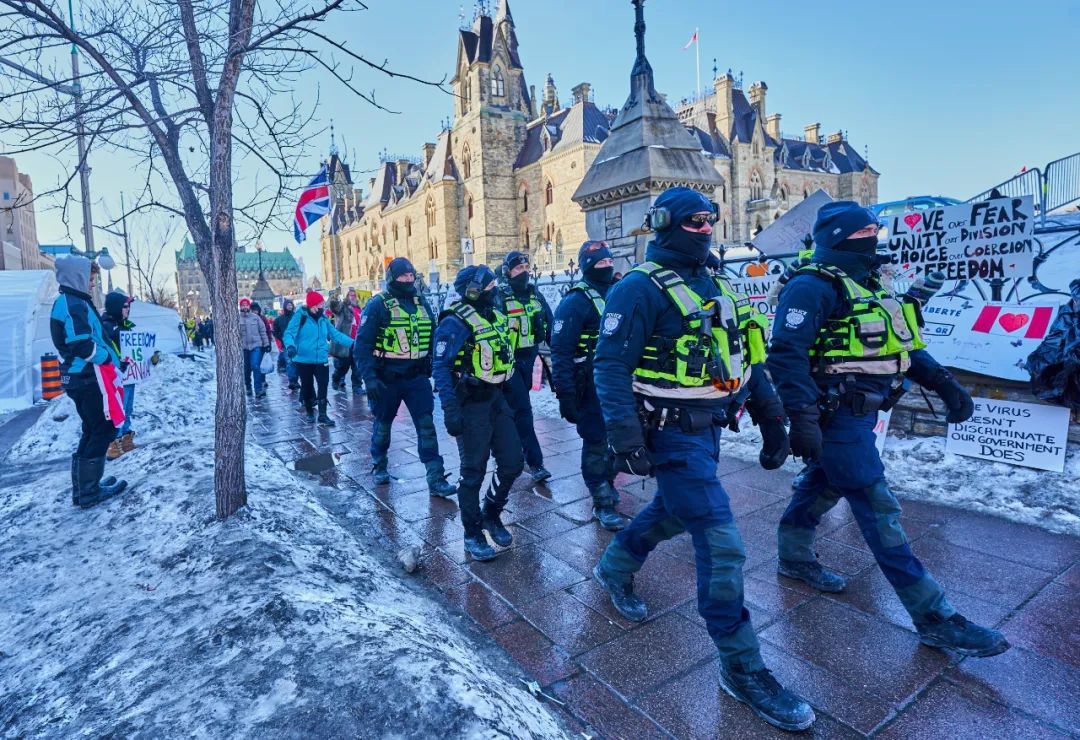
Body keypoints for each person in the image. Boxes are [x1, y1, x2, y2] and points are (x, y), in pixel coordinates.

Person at [590, 187, 809, 732]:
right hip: (666, 435)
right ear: (663, 224)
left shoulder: (717, 284)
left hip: (708, 428)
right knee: (722, 543)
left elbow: (747, 358)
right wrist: (625, 439)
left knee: (669, 513)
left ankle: (613, 567)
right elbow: (609, 367)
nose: (706, 227)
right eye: (693, 220)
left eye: (711, 218)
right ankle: (742, 666)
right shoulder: (636, 290)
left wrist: (772, 419)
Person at [768, 200, 1010, 659]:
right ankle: (934, 616)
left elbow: (907, 346)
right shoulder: (811, 286)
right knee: (877, 506)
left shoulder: (871, 287)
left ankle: (793, 556)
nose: (878, 237)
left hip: (861, 414)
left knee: (822, 485)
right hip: (834, 416)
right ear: (843, 237)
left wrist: (947, 387)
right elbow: (785, 354)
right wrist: (800, 418)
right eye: (868, 231)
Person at [432, 265, 524, 561]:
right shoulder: (454, 322)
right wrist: (449, 410)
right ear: (472, 290)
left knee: (512, 462)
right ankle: (472, 532)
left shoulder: (494, 316)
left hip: (497, 399)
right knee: (473, 473)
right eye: (490, 286)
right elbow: (441, 367)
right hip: (470, 404)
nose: (495, 290)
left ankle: (491, 513)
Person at [354, 258, 456, 496]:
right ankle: (379, 463)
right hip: (386, 378)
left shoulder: (422, 304)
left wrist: (434, 363)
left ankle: (436, 477)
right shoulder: (377, 304)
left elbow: (433, 335)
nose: (408, 280)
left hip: (416, 379)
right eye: (403, 277)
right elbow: (362, 345)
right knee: (383, 425)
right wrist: (369, 378)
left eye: (411, 276)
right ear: (392, 278)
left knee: (427, 426)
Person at [550, 241, 624, 530]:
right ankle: (601, 499)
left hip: (619, 382)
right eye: (600, 264)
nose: (607, 267)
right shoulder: (574, 302)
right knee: (595, 441)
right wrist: (565, 394)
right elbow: (560, 351)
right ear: (586, 266)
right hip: (590, 384)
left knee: (618, 438)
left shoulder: (619, 292)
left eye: (609, 262)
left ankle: (607, 481)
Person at [50, 255, 129, 508]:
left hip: (82, 376)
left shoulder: (73, 301)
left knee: (92, 429)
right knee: (103, 429)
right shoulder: (73, 304)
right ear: (78, 277)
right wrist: (107, 358)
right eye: (91, 278)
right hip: (86, 377)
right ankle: (89, 491)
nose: (92, 283)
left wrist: (113, 360)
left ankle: (84, 489)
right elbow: (82, 344)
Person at [496, 251, 553, 483]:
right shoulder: (498, 297)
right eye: (518, 269)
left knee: (514, 409)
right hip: (507, 362)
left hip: (529, 359)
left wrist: (558, 354)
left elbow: (549, 324)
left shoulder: (535, 294)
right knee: (523, 410)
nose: (524, 272)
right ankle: (535, 462)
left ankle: (508, 448)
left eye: (526, 267)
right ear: (508, 273)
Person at [284, 290, 355, 425]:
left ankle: (322, 415)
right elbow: (289, 334)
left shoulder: (323, 319)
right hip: (303, 359)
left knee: (323, 386)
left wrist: (353, 344)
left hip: (321, 359)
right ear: (313, 306)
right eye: (321, 303)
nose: (324, 306)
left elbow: (335, 334)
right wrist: (290, 346)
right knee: (307, 386)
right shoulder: (300, 316)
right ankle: (310, 412)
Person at [101, 290, 138, 460]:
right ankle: (113, 442)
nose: (128, 309)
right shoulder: (107, 327)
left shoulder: (125, 325)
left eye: (129, 306)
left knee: (127, 407)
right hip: (114, 377)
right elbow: (107, 351)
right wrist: (118, 364)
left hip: (129, 375)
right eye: (125, 306)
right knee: (118, 407)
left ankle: (125, 438)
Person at [329, 287, 365, 395]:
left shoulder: (360, 308)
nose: (353, 297)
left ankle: (357, 386)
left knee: (357, 365)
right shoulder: (343, 307)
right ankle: (337, 378)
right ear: (346, 296)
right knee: (343, 365)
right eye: (351, 295)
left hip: (358, 341)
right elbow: (334, 307)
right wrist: (335, 296)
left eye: (354, 295)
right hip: (346, 342)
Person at [239, 297, 271, 398]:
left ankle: (258, 389)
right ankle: (248, 386)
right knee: (247, 368)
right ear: (240, 307)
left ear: (249, 306)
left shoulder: (256, 318)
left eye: (246, 305)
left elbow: (263, 331)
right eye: (243, 305)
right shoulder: (237, 318)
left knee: (256, 366)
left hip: (256, 346)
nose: (245, 307)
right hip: (244, 347)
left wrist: (266, 344)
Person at [273, 298, 300, 389]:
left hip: (297, 343)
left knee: (297, 362)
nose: (290, 306)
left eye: (291, 305)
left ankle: (295, 380)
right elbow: (275, 331)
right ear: (285, 306)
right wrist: (282, 338)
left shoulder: (297, 317)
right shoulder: (279, 319)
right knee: (290, 362)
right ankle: (292, 380)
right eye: (288, 305)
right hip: (286, 344)